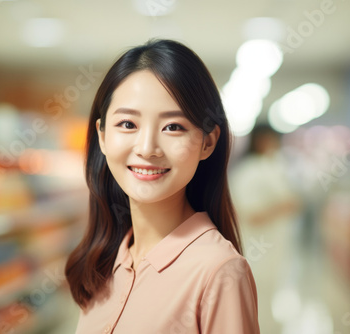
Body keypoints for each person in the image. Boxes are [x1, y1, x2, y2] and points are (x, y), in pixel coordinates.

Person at [65, 39, 260, 334]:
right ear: (102, 136)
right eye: (128, 124)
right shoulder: (104, 260)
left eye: (173, 127)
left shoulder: (219, 272)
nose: (147, 148)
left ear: (208, 142)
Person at [229, 123, 300, 333]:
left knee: (265, 297)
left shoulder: (270, 166)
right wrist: (283, 207)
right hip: (256, 250)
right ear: (261, 140)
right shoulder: (249, 172)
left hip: (272, 250)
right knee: (255, 300)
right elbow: (251, 215)